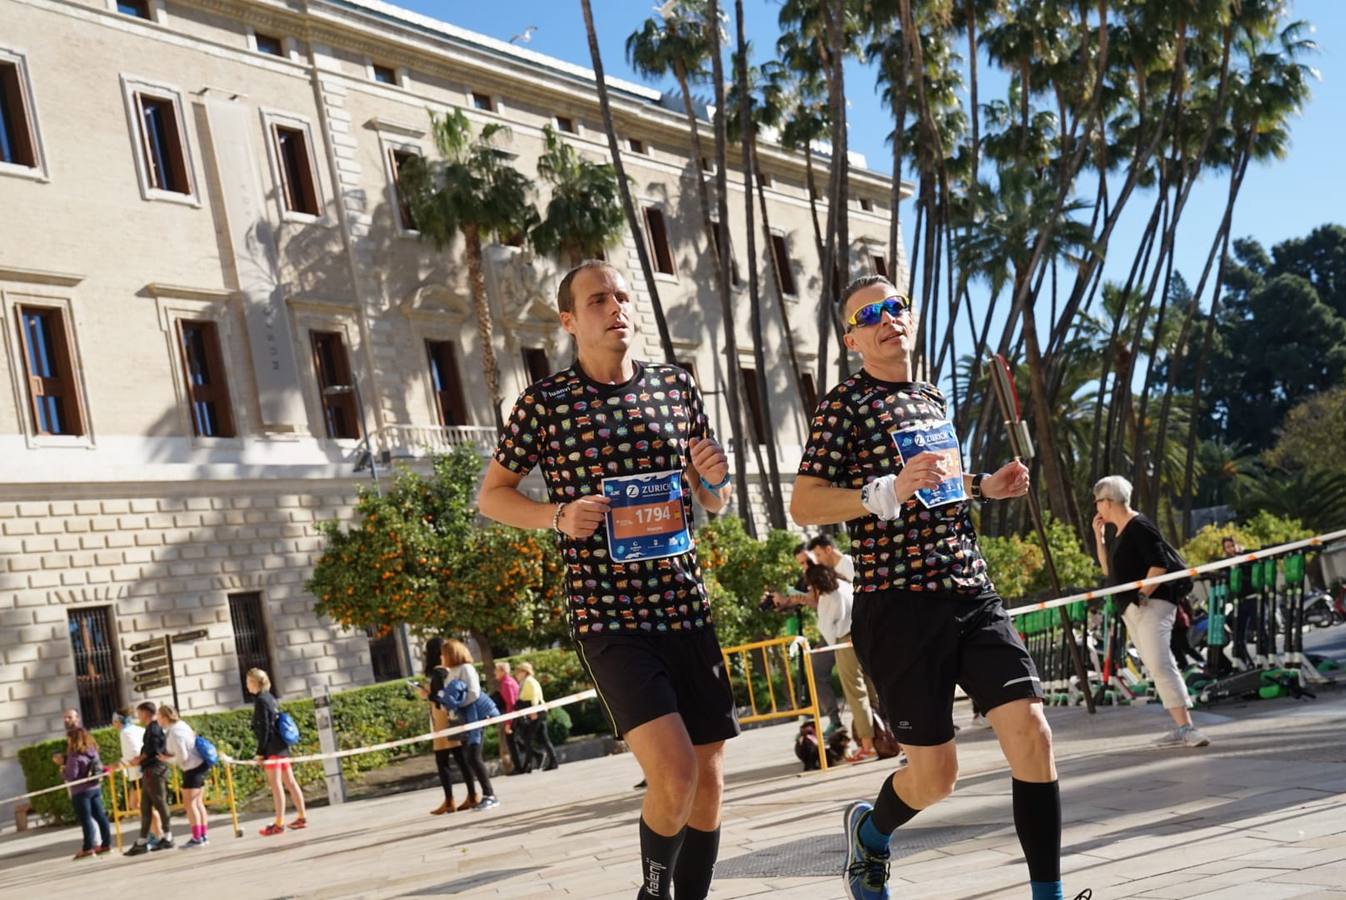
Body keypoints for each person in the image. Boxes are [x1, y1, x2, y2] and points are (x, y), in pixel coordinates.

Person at [792, 275, 1085, 900]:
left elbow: (938, 484)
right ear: (852, 339)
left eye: (895, 306)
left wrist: (984, 484)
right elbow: (804, 501)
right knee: (935, 776)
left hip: (971, 592)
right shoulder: (843, 405)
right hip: (898, 609)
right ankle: (870, 834)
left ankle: (1048, 893)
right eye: (868, 314)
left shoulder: (929, 398)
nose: (886, 318)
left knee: (1033, 732)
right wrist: (884, 492)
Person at [478, 259, 738, 900]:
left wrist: (716, 475)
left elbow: (714, 500)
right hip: (611, 618)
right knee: (674, 774)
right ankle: (653, 893)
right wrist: (557, 515)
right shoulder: (545, 404)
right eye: (598, 300)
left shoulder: (676, 388)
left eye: (622, 297)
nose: (616, 308)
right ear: (570, 320)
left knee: (707, 782)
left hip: (686, 606)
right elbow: (492, 497)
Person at [1092, 476, 1211, 749]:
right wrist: (1099, 540)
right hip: (1133, 609)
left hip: (1151, 605)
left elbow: (1158, 565)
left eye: (1098, 501)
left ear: (1108, 501)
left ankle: (1187, 726)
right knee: (1157, 664)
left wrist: (1143, 595)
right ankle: (1181, 725)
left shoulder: (1139, 526)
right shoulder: (1122, 532)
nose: (1097, 507)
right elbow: (1109, 573)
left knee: (1159, 663)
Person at [803, 563, 877, 763]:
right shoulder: (846, 586)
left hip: (845, 642)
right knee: (872, 689)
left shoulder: (828, 597)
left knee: (855, 693)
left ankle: (867, 745)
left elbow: (827, 630)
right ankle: (883, 735)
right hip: (864, 637)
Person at [439, 639, 500, 811]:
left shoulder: (466, 668)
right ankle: (487, 794)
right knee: (470, 756)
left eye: (444, 653)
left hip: (476, 716)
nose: (441, 657)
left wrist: (457, 704)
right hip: (464, 719)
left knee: (474, 755)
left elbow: (474, 692)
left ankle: (490, 795)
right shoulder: (450, 672)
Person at [248, 669, 307, 835]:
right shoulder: (270, 697)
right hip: (281, 747)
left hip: (272, 749)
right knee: (290, 782)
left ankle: (279, 823)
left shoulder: (260, 700)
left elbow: (265, 728)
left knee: (276, 785)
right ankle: (302, 816)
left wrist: (260, 752)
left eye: (248, 681)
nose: (247, 685)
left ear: (254, 683)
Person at [418, 637, 467, 813]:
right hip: (448, 718)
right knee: (460, 757)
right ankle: (468, 795)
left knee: (445, 760)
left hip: (442, 720)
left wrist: (426, 693)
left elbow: (439, 697)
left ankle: (451, 800)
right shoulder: (448, 670)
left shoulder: (438, 672)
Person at [53, 725, 111, 860]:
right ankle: (106, 844)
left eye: (68, 740)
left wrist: (63, 771)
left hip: (80, 791)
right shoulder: (93, 751)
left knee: (86, 820)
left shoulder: (74, 755)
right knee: (100, 816)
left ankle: (88, 848)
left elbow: (71, 775)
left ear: (73, 740)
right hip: (95, 787)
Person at [157, 704, 209, 848]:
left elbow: (183, 757)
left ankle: (197, 837)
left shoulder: (174, 732)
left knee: (190, 804)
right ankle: (203, 835)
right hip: (199, 765)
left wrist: (167, 759)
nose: (157, 719)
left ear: (165, 717)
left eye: (159, 716)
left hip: (191, 768)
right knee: (198, 803)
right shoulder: (182, 725)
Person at [113, 706, 163, 854]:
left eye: (114, 721)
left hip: (139, 773)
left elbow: (135, 752)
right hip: (138, 773)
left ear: (119, 721)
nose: (113, 724)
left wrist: (120, 764)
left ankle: (157, 835)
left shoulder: (125, 733)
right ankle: (154, 834)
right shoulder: (136, 729)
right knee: (136, 804)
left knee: (143, 805)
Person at [124, 701, 172, 854]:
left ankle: (168, 836)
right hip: (149, 770)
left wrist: (140, 758)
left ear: (145, 713)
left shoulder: (154, 727)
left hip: (154, 769)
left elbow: (153, 748)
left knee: (159, 802)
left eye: (139, 713)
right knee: (145, 806)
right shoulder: (151, 728)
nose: (137, 716)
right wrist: (140, 758)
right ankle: (142, 840)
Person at [514, 661, 558, 773]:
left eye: (518, 671)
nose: (516, 674)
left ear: (524, 672)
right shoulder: (526, 681)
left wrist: (534, 711)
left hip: (536, 711)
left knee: (527, 738)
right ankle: (552, 761)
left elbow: (534, 695)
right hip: (538, 711)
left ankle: (529, 764)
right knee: (543, 738)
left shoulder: (529, 681)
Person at [494, 661, 524, 775]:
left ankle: (518, 767)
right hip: (515, 715)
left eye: (496, 670)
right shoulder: (509, 681)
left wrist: (508, 722)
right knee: (516, 741)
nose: (494, 673)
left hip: (513, 716)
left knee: (511, 742)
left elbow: (511, 703)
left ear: (502, 671)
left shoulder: (506, 683)